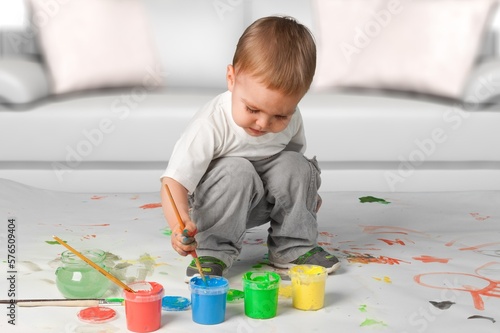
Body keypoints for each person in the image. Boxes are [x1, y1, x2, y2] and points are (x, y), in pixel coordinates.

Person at [160, 16, 340, 280]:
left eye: (280, 116)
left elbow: (292, 164)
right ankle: (214, 251)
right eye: (252, 109)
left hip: (262, 201)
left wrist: (305, 197)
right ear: (231, 79)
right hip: (217, 206)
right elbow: (173, 181)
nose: (264, 123)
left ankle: (292, 247)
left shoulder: (290, 117)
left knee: (296, 165)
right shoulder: (210, 123)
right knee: (237, 169)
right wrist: (179, 226)